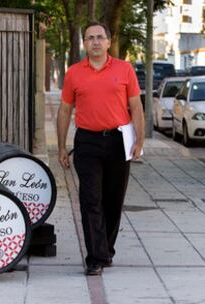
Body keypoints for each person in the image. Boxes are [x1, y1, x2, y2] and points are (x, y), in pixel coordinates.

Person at [57, 21, 144, 275]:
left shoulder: (124, 69)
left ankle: (106, 249)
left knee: (113, 201)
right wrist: (61, 146)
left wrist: (139, 140)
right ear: (84, 43)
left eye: (99, 37)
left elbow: (135, 106)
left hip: (118, 141)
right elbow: (64, 110)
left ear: (108, 41)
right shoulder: (74, 72)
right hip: (87, 142)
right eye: (90, 38)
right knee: (90, 199)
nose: (95, 42)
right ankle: (95, 257)